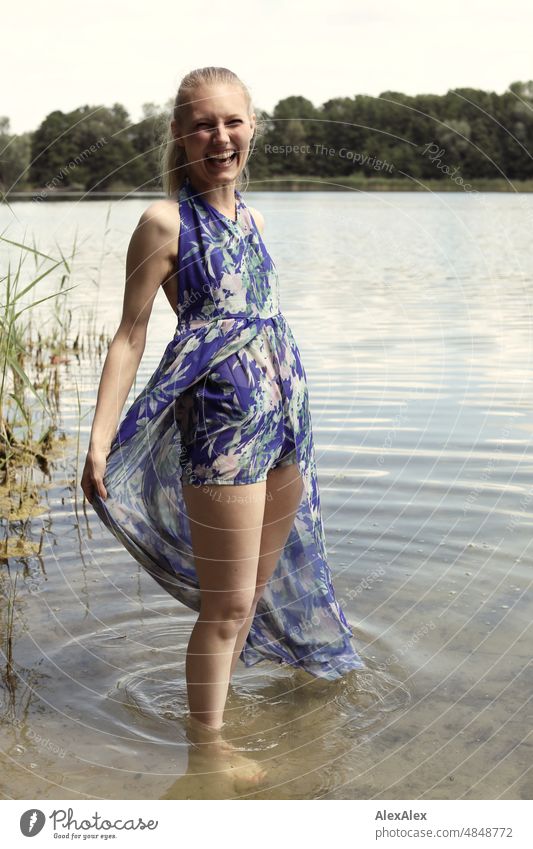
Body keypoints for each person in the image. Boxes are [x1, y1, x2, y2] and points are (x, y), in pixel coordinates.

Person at [81, 66, 365, 788]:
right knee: (227, 603)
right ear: (180, 134)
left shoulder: (254, 219)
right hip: (220, 434)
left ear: (252, 129)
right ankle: (208, 747)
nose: (220, 136)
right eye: (203, 123)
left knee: (256, 592)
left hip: (284, 426)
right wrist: (99, 439)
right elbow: (130, 335)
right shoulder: (164, 222)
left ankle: (221, 719)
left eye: (232, 121)